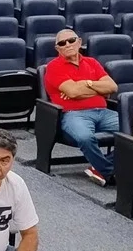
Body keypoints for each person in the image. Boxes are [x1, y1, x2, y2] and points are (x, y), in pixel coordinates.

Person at [44, 29, 118, 185]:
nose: (68, 45)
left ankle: (99, 168)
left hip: (103, 112)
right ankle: (108, 171)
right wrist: (98, 90)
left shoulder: (92, 62)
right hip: (73, 114)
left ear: (79, 42)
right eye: (62, 43)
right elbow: (73, 91)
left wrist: (85, 84)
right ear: (57, 48)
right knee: (85, 137)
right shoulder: (54, 66)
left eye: (71, 40)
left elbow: (112, 87)